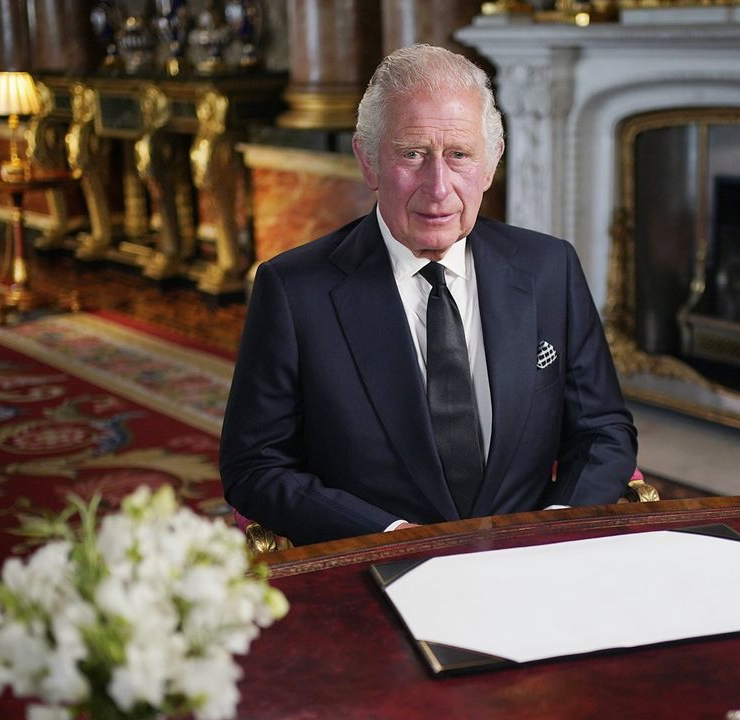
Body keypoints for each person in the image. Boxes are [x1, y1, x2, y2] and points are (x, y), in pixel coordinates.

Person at [219, 44, 638, 545]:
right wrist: (386, 536)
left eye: (459, 155)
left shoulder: (550, 269)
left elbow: (603, 429)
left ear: (491, 163)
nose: (438, 187)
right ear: (368, 161)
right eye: (412, 154)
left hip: (532, 563)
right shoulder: (294, 290)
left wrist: (556, 525)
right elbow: (254, 465)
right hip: (375, 568)